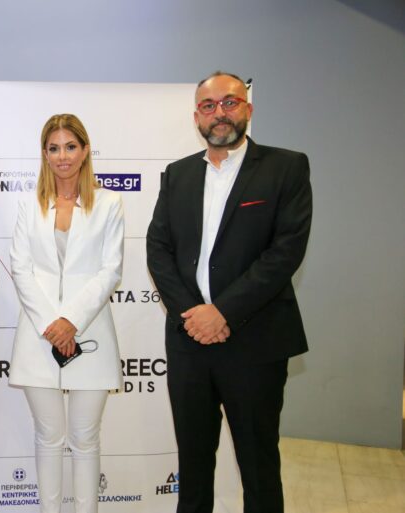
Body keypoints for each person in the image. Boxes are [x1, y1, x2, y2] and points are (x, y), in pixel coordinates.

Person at [146, 71, 312, 513]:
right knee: (193, 466)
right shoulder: (178, 174)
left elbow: (285, 252)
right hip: (189, 342)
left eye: (230, 102)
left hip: (255, 342)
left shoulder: (286, 167)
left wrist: (222, 312)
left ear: (248, 109)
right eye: (208, 105)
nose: (219, 113)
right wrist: (193, 314)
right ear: (196, 117)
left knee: (258, 467)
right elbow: (158, 249)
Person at [9, 113, 124, 513]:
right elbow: (20, 268)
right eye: (54, 148)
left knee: (85, 439)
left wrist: (71, 321)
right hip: (38, 336)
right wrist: (51, 325)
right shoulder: (28, 204)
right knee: (48, 437)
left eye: (71, 147)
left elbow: (111, 270)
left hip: (91, 333)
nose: (63, 156)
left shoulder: (109, 203)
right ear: (44, 153)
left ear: (85, 150)